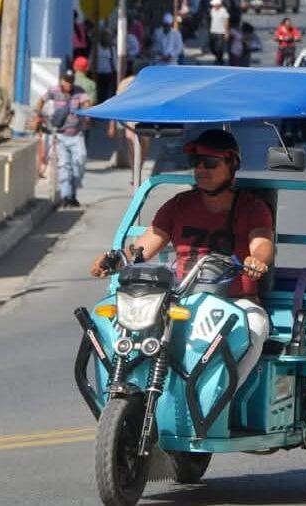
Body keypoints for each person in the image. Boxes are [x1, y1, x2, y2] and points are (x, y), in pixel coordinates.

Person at [89, 129, 274, 389]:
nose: (201, 169)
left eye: (210, 162)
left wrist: (257, 261)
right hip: (180, 299)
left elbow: (262, 244)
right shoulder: (178, 205)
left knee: (254, 327)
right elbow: (142, 248)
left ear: (232, 164)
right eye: (196, 162)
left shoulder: (252, 208)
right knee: (121, 331)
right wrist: (113, 261)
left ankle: (223, 397)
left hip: (235, 302)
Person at [32, 69, 92, 208]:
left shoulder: (79, 91)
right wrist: (38, 116)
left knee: (80, 162)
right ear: (61, 81)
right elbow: (41, 100)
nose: (68, 84)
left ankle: (73, 193)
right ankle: (66, 196)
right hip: (60, 135)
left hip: (76, 135)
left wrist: (87, 113)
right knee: (64, 166)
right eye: (66, 81)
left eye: (71, 82)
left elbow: (86, 103)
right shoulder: (54, 91)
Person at [108, 63, 150, 179]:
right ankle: (134, 173)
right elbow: (116, 102)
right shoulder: (126, 83)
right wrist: (112, 123)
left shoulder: (150, 83)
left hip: (146, 117)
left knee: (144, 145)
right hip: (130, 117)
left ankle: (138, 169)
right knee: (132, 144)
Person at [208, 0, 230, 65]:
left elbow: (226, 22)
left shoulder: (223, 11)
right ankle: (218, 58)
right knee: (211, 46)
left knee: (219, 48)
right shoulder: (212, 10)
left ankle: (219, 60)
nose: (213, 6)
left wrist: (226, 32)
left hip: (220, 32)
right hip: (213, 32)